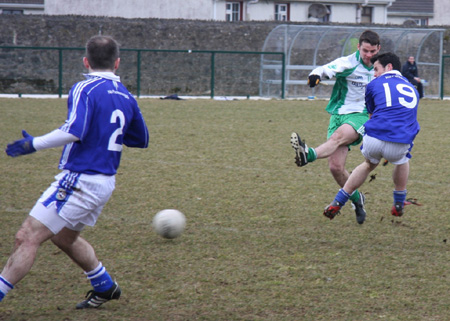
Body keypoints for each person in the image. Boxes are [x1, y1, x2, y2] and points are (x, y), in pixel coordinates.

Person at [1, 35, 149, 309]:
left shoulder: (85, 88)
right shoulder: (126, 96)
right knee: (63, 236)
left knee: (27, 236)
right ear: (117, 63)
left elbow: (73, 131)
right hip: (104, 182)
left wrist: (33, 144)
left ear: (85, 61)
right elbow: (141, 139)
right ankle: (104, 285)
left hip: (80, 178)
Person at [290, 30, 381, 224]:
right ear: (358, 47)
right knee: (336, 167)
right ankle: (357, 199)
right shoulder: (349, 63)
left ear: (378, 49)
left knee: (338, 137)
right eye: (365, 50)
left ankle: (309, 154)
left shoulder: (380, 69)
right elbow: (325, 69)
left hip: (362, 116)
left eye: (372, 51)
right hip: (339, 115)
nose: (369, 55)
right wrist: (315, 76)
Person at [323, 52, 420, 220]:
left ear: (389, 67)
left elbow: (372, 113)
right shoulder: (412, 88)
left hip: (374, 138)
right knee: (403, 160)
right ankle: (398, 201)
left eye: (376, 69)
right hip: (400, 141)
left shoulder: (374, 84)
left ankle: (338, 202)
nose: (374, 74)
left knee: (368, 165)